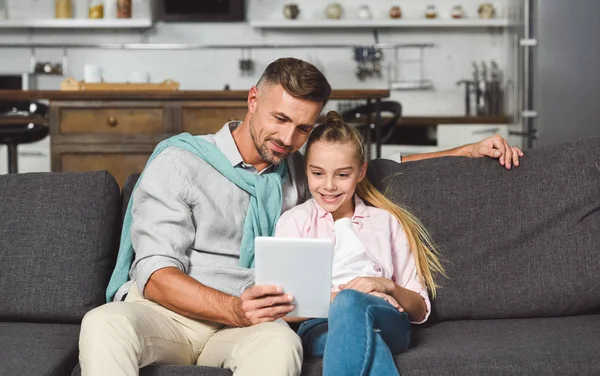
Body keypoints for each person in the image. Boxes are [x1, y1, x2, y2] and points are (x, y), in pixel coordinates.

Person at [78, 57, 523, 376]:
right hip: (170, 316)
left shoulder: (298, 168)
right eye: (280, 119)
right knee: (102, 324)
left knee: (280, 345)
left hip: (254, 324)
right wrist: (232, 307)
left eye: (303, 129)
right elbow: (154, 272)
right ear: (253, 100)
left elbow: (372, 168)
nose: (289, 138)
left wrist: (464, 152)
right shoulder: (181, 162)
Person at [275, 111, 444, 376]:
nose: (329, 186)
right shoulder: (294, 222)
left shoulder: (385, 222)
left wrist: (385, 286)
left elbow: (420, 308)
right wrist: (349, 298)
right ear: (306, 168)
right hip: (321, 327)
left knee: (351, 308)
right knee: (355, 319)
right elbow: (283, 310)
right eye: (318, 173)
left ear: (361, 172)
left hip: (387, 318)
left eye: (342, 175)